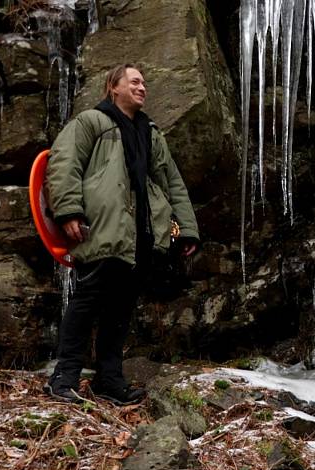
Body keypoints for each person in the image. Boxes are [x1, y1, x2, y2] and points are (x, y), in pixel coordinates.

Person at [43, 63, 200, 405]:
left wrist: (186, 228)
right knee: (86, 302)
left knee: (120, 309)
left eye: (144, 82)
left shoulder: (151, 132)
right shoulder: (92, 122)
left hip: (141, 237)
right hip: (102, 228)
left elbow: (172, 182)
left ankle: (109, 381)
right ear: (114, 87)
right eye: (134, 82)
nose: (142, 87)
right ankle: (63, 378)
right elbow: (63, 163)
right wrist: (69, 211)